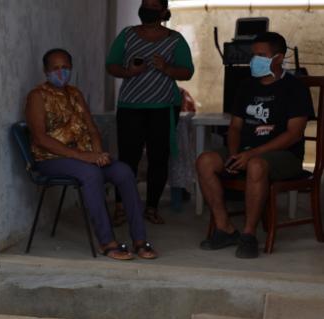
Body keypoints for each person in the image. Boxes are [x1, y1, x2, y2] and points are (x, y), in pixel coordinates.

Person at [25, 48, 157, 260]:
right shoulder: (37, 96)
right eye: (56, 68)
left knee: (123, 171)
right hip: (51, 159)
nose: (61, 73)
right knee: (91, 174)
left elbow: (91, 127)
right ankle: (107, 243)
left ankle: (140, 240)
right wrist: (83, 157)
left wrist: (98, 153)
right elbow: (40, 138)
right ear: (45, 71)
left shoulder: (75, 93)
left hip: (84, 158)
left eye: (66, 68)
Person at [196, 32, 314, 259]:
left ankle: (248, 235)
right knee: (205, 161)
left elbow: (294, 134)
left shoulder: (295, 88)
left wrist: (252, 155)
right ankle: (225, 228)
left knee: (257, 165)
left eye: (261, 55)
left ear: (278, 58)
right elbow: (235, 128)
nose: (254, 61)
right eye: (253, 56)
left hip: (284, 155)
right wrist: (233, 154)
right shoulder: (246, 86)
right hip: (246, 151)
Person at [106, 0, 194, 225]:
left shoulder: (175, 39)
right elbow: (111, 65)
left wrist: (166, 68)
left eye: (154, 5)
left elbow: (187, 72)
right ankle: (121, 207)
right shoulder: (127, 35)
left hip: (163, 108)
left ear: (164, 11)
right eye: (145, 3)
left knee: (158, 159)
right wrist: (128, 71)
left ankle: (151, 208)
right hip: (130, 106)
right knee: (127, 159)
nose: (147, 8)